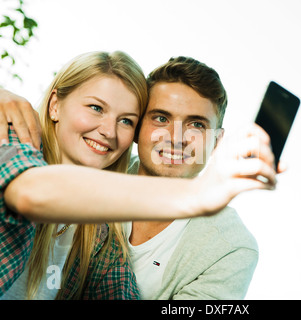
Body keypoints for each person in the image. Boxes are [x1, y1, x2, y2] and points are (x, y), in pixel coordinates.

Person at [0, 52, 276, 299]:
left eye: (125, 120)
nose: (176, 138)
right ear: (54, 105)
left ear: (217, 141)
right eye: (160, 118)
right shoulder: (11, 139)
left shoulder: (98, 230)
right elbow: (29, 191)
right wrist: (198, 194)